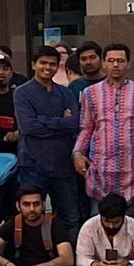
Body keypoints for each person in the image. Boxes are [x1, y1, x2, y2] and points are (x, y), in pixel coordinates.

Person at [76, 45, 134, 244]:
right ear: (104, 63)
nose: (116, 64)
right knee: (97, 223)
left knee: (128, 225)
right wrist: (78, 153)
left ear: (128, 64)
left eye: (120, 60)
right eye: (111, 60)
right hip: (100, 171)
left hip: (132, 172)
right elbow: (86, 128)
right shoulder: (90, 93)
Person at [14, 45, 84, 237]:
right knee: (32, 216)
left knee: (70, 218)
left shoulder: (65, 92)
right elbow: (28, 126)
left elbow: (75, 123)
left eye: (52, 64)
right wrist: (61, 121)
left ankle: (69, 261)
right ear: (33, 65)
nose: (48, 67)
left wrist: (44, 120)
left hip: (64, 166)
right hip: (34, 166)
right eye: (43, 63)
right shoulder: (22, 93)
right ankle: (34, 259)